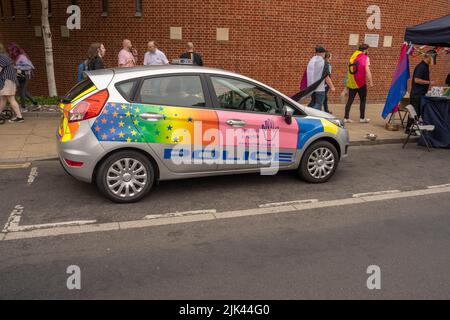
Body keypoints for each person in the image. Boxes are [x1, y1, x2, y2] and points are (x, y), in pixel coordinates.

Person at [406, 50, 435, 133]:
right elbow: (416, 80)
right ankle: (409, 129)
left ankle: (412, 128)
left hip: (420, 93)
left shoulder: (425, 66)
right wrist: (429, 82)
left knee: (417, 113)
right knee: (414, 112)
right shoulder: (421, 66)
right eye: (433, 57)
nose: (433, 60)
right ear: (429, 57)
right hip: (417, 94)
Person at [344, 43, 373, 123]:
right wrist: (371, 81)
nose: (368, 52)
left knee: (350, 100)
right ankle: (362, 118)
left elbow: (349, 70)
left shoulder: (353, 56)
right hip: (361, 83)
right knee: (363, 100)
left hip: (352, 82)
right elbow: (367, 71)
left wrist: (346, 84)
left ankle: (346, 118)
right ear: (364, 50)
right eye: (367, 50)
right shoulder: (365, 58)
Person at [7, 43, 40, 113]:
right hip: (20, 76)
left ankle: (23, 107)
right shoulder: (17, 57)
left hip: (25, 76)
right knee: (24, 91)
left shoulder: (22, 57)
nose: (9, 53)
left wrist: (17, 67)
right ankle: (36, 104)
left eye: (10, 51)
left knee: (21, 92)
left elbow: (30, 67)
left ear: (14, 51)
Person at [0, 42, 24, 124]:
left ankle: (19, 117)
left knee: (11, 99)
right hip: (9, 80)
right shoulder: (4, 55)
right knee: (3, 98)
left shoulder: (1, 57)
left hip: (7, 80)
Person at [306, 46, 334, 110]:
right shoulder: (324, 63)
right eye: (324, 53)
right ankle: (313, 117)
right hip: (320, 88)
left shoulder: (311, 61)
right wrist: (332, 87)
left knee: (313, 102)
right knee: (318, 104)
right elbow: (326, 76)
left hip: (312, 87)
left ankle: (306, 112)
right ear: (322, 53)